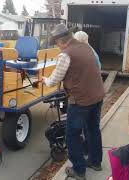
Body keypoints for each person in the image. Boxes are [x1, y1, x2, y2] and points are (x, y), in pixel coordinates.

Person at [42, 24, 105, 180]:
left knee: (72, 135)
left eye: (56, 43)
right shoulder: (86, 47)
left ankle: (79, 170)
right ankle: (95, 162)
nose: (57, 46)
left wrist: (45, 80)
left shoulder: (66, 54)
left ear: (60, 41)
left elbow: (55, 78)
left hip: (81, 101)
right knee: (93, 129)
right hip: (97, 96)